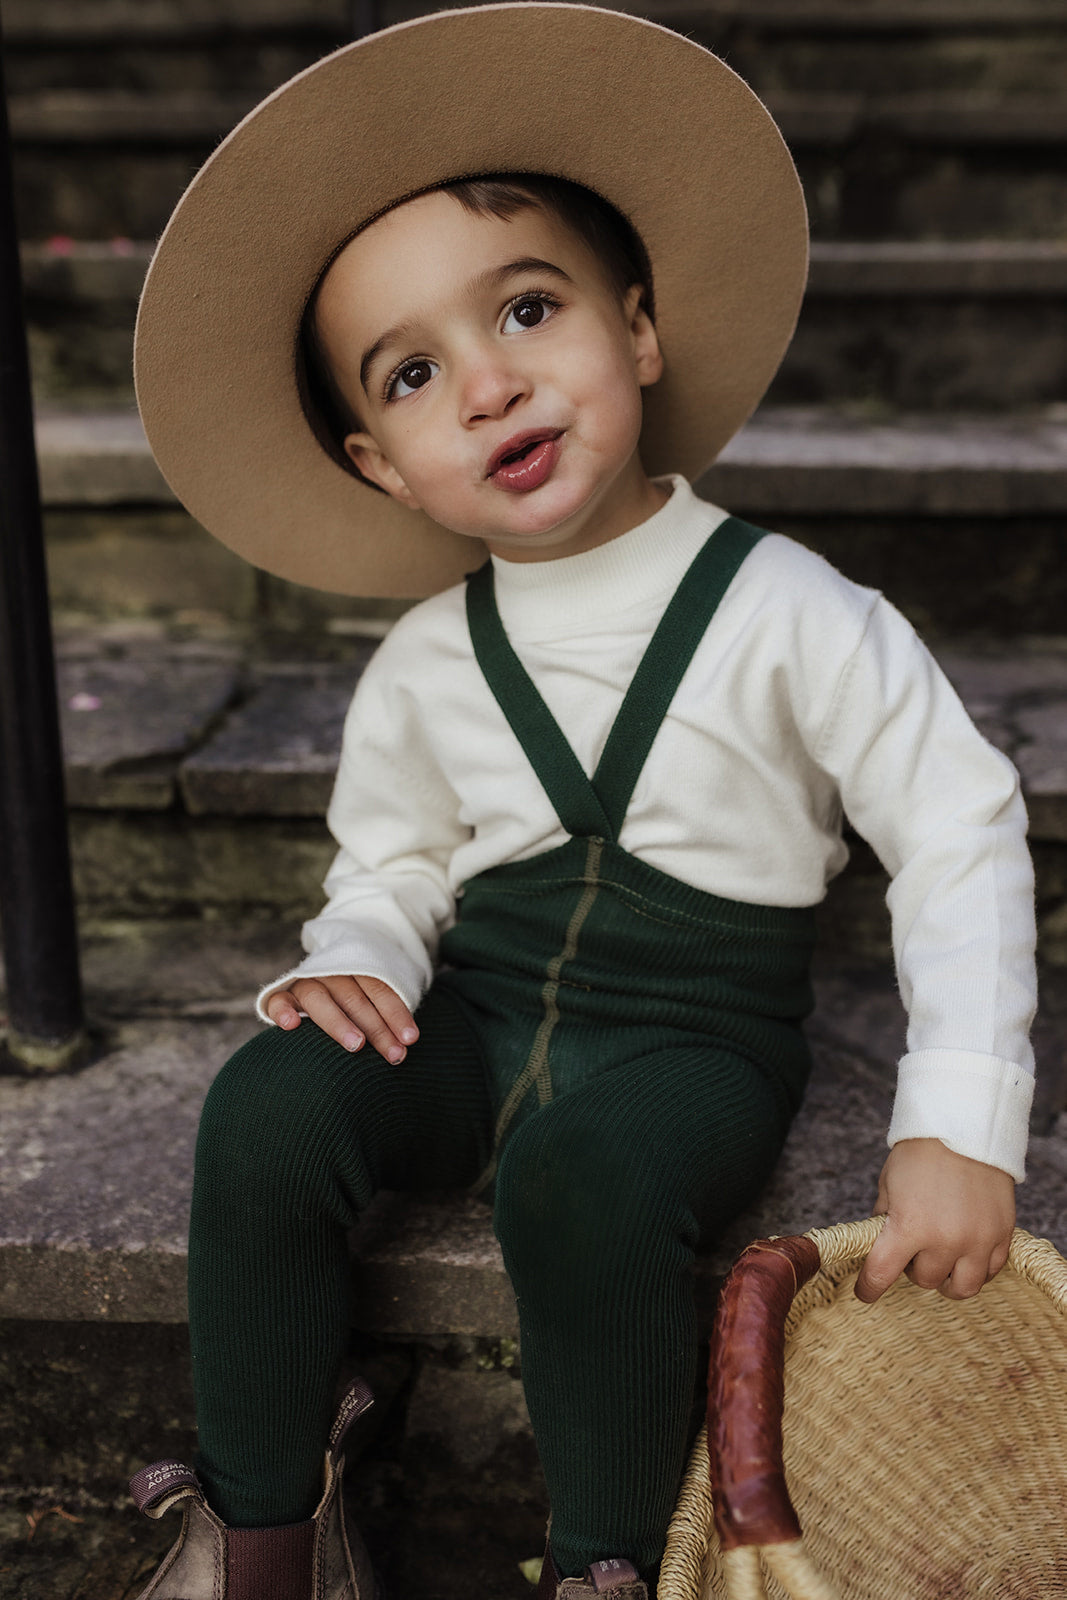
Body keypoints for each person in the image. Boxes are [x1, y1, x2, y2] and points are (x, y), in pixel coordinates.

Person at [128, 8, 1036, 1598]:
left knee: (586, 1181)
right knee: (267, 1110)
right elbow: (394, 861)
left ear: (639, 332)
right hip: (474, 1011)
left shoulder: (793, 609)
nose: (488, 387)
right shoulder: (422, 662)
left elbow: (955, 823)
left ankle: (609, 1561)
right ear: (382, 464)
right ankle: (265, 1529)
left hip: (692, 1037)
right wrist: (363, 957)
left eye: (527, 312)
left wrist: (957, 1118)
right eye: (417, 373)